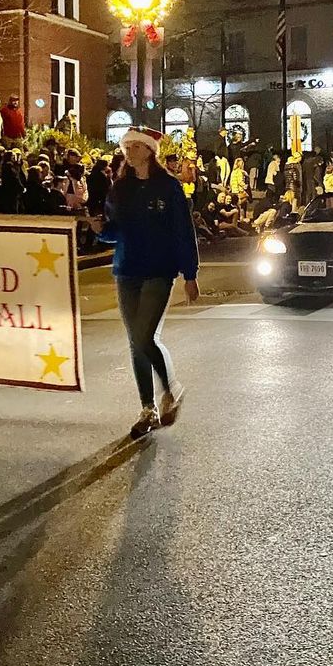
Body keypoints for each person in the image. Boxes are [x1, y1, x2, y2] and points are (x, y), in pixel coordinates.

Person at [90, 126, 198, 439]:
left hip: (159, 270)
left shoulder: (168, 186)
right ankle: (147, 408)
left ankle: (171, 389)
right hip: (127, 270)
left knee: (143, 335)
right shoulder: (120, 188)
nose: (129, 151)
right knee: (135, 341)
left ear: (150, 151)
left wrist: (190, 274)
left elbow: (182, 230)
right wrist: (101, 230)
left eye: (136, 146)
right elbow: (116, 230)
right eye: (126, 147)